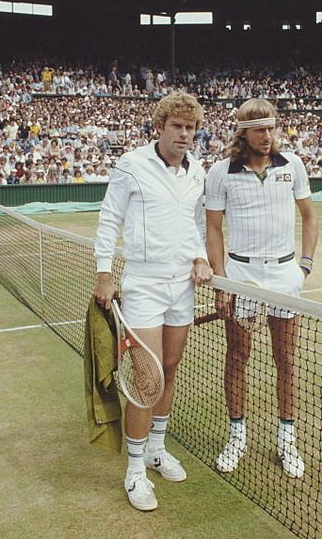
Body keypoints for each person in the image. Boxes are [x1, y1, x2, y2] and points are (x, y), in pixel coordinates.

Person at [92, 92, 213, 512]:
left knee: (170, 368)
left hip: (184, 285)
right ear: (160, 126)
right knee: (146, 379)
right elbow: (110, 217)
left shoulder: (197, 170)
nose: (184, 134)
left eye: (191, 127)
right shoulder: (131, 164)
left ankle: (158, 450)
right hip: (143, 283)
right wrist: (104, 272)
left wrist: (200, 256)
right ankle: (135, 469)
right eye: (177, 126)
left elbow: (194, 224)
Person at [204, 98, 319, 479]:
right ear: (243, 132)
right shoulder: (221, 173)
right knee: (237, 357)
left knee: (285, 359)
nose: (267, 136)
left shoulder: (294, 166)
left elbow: (310, 217)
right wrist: (221, 281)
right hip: (240, 275)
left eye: (271, 128)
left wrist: (304, 267)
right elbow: (213, 230)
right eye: (259, 129)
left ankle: (287, 439)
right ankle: (237, 435)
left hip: (285, 275)